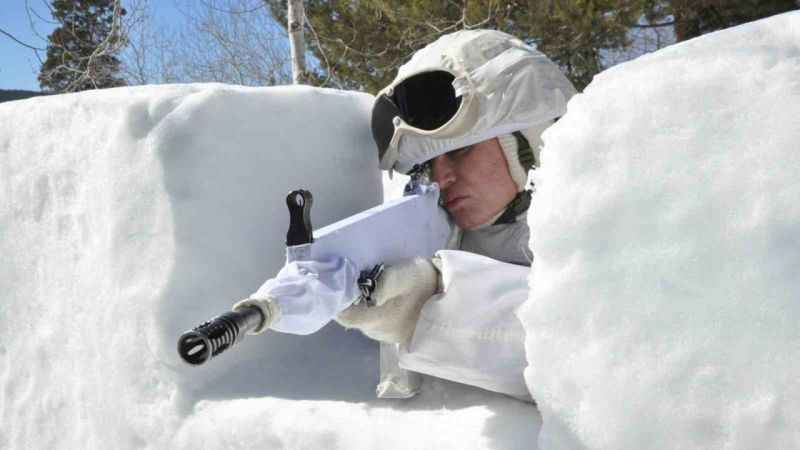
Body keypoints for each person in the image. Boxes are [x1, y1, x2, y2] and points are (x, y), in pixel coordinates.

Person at [334, 29, 576, 400]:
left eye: (461, 152)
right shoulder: (439, 236)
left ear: (532, 141)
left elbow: (587, 344)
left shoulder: (605, 227)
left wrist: (426, 311)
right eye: (429, 165)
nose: (442, 178)